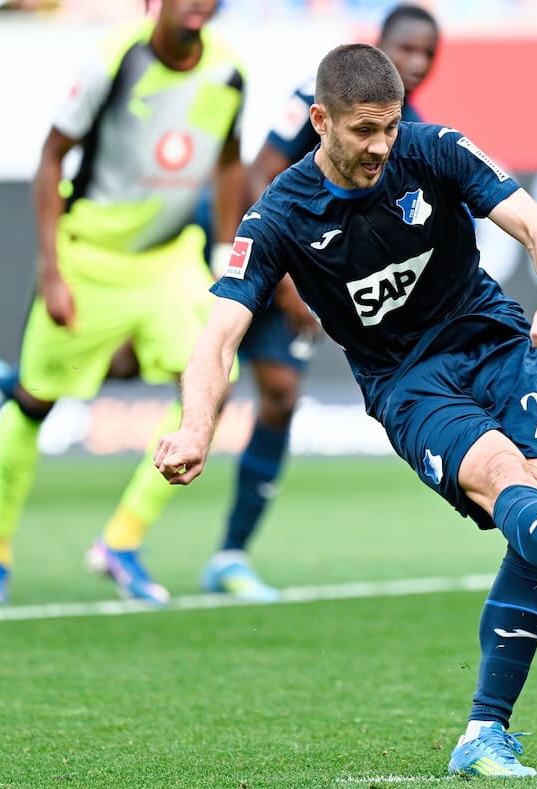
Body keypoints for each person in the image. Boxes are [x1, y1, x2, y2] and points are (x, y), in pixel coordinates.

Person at [153, 44, 537, 778]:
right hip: (409, 384)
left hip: (494, 341)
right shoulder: (280, 214)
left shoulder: (434, 149)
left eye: (390, 126)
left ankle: (485, 731)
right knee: (511, 480)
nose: (383, 144)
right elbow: (218, 337)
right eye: (363, 131)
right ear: (321, 120)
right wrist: (196, 427)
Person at [0, 0, 246, 607]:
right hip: (91, 256)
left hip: (168, 260)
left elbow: (229, 163)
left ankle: (122, 541)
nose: (200, 4)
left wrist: (224, 254)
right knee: (34, 402)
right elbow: (51, 158)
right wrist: (52, 272)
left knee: (211, 379)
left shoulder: (230, 71)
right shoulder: (114, 58)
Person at [197, 2, 441, 602]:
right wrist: (287, 284)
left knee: (280, 394)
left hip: (301, 269)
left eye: (427, 55)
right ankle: (16, 390)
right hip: (247, 248)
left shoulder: (405, 130)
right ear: (378, 44)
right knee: (179, 369)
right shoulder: (322, 94)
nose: (415, 62)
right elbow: (261, 174)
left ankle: (229, 555)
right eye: (405, 48)